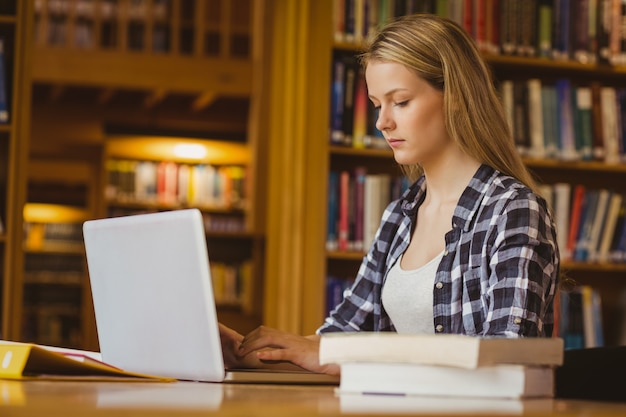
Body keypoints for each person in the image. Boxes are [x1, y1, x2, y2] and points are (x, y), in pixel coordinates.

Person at [220, 13, 560, 376]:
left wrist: (352, 356)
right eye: (377, 104)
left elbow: (507, 356)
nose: (383, 122)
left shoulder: (513, 210)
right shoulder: (400, 215)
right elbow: (341, 336)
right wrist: (246, 353)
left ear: (456, 97)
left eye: (400, 101)